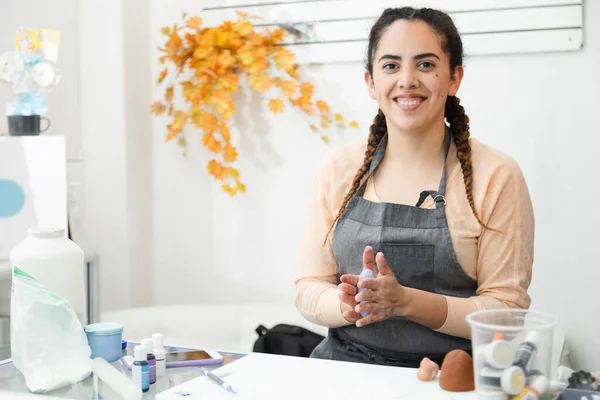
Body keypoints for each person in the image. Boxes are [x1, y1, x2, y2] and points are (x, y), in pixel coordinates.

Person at [294, 6, 534, 368]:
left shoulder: (496, 176)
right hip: (345, 371)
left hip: (454, 377)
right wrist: (350, 304)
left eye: (425, 64)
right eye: (391, 65)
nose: (407, 79)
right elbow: (308, 286)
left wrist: (406, 302)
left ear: (454, 78)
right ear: (371, 82)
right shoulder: (337, 169)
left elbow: (507, 312)